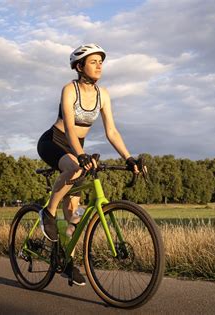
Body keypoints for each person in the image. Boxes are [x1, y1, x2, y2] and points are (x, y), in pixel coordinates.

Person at [36, 43, 140, 286]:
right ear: (79, 66)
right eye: (93, 62)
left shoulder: (103, 94)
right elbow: (70, 128)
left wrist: (129, 158)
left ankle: (67, 262)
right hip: (54, 141)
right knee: (76, 168)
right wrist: (81, 155)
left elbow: (112, 131)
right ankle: (47, 213)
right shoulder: (69, 89)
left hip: (76, 147)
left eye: (101, 61)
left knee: (74, 214)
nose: (99, 65)